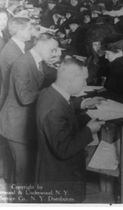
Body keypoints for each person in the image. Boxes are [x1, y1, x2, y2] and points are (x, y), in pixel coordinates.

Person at [0, 34, 60, 185]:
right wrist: (53, 91)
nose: (55, 53)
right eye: (53, 49)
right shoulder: (23, 63)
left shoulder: (36, 60)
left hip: (24, 123)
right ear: (41, 46)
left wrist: (68, 72)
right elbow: (25, 97)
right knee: (23, 173)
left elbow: (51, 73)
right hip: (16, 126)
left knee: (24, 170)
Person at [35, 58, 105, 201]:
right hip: (60, 178)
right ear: (71, 79)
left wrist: (84, 102)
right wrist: (88, 130)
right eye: (84, 80)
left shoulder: (49, 93)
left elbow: (65, 102)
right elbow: (64, 149)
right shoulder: (54, 111)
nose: (85, 84)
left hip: (53, 171)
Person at [0, 17, 33, 113]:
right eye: (29, 29)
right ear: (20, 32)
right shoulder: (11, 52)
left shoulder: (18, 45)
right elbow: (26, 75)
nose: (32, 31)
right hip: (12, 104)